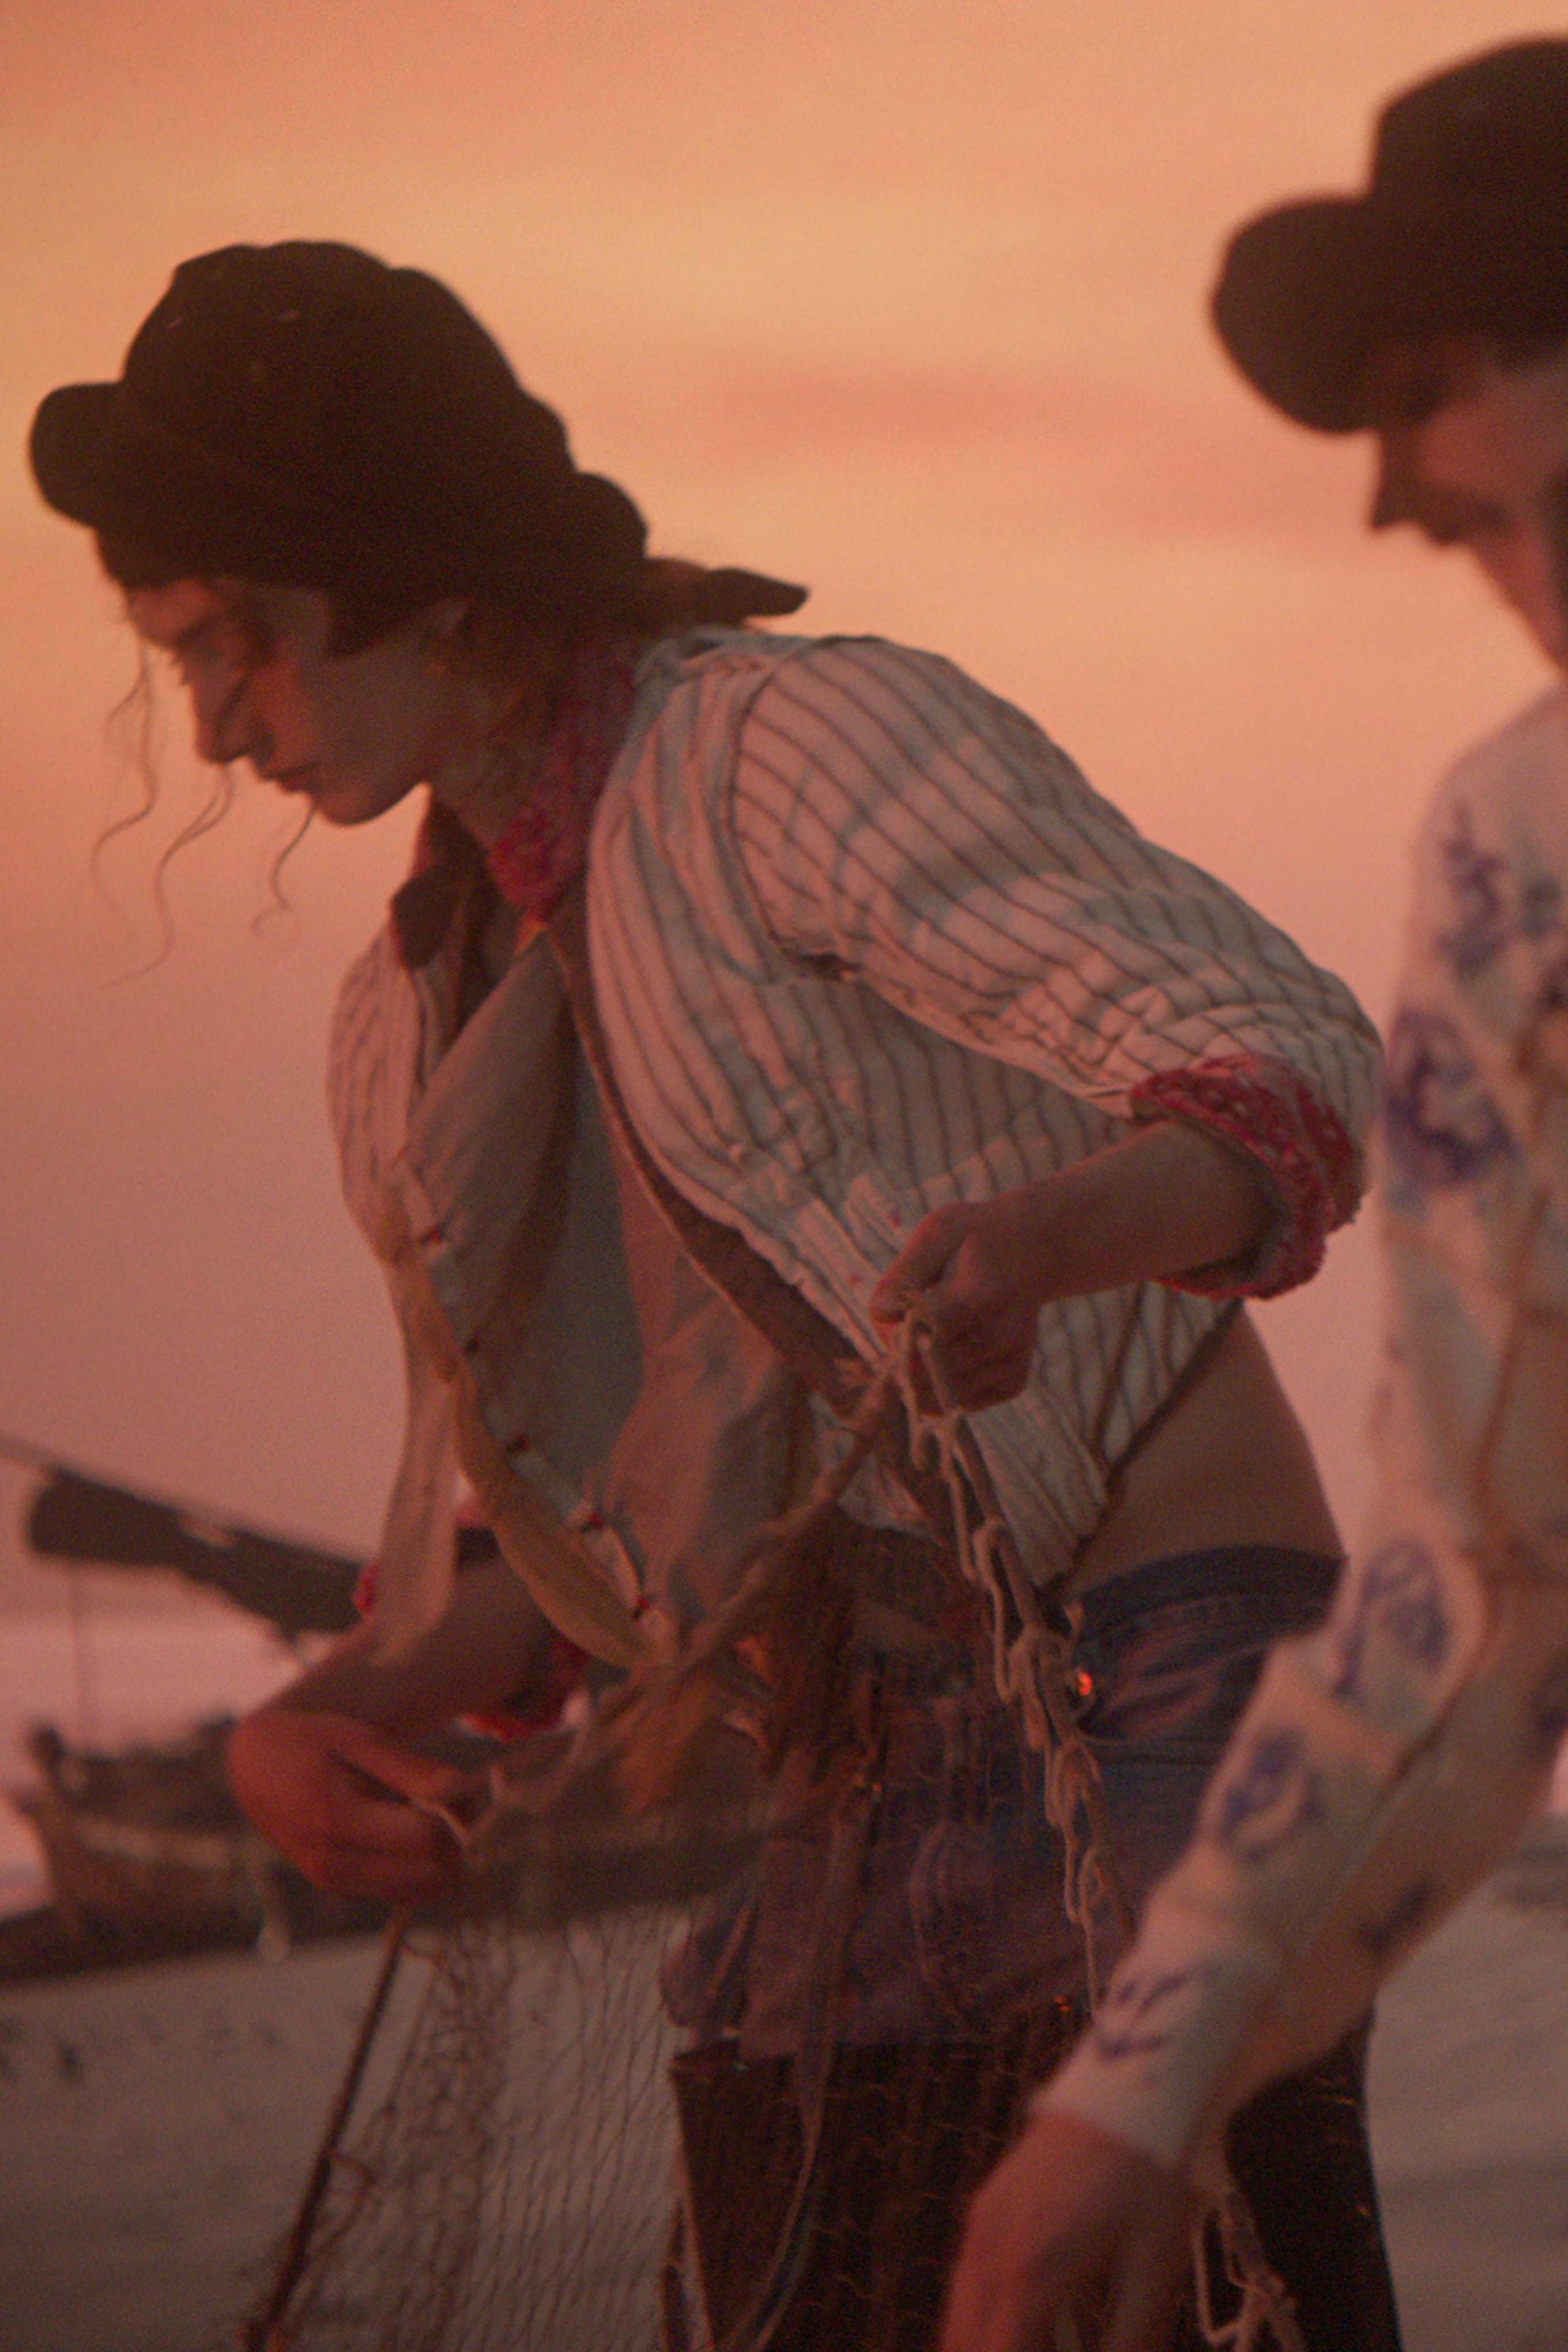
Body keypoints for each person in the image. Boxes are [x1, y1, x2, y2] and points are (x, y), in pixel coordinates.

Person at [28, 239, 1392, 2349]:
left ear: (426, 588)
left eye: (234, 644)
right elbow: (580, 1553)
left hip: (1160, 1669)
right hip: (848, 1770)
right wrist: (320, 1722)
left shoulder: (786, 753)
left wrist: (1046, 1242)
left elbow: (1284, 1062)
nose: (210, 726)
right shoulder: (406, 1028)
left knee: (1160, 2285)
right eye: (174, 661)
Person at [940, 36, 1568, 2352]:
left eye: (1443, 392)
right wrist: (1141, 2088)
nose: (1411, 503)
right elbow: (1483, 1581)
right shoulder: (1522, 863)